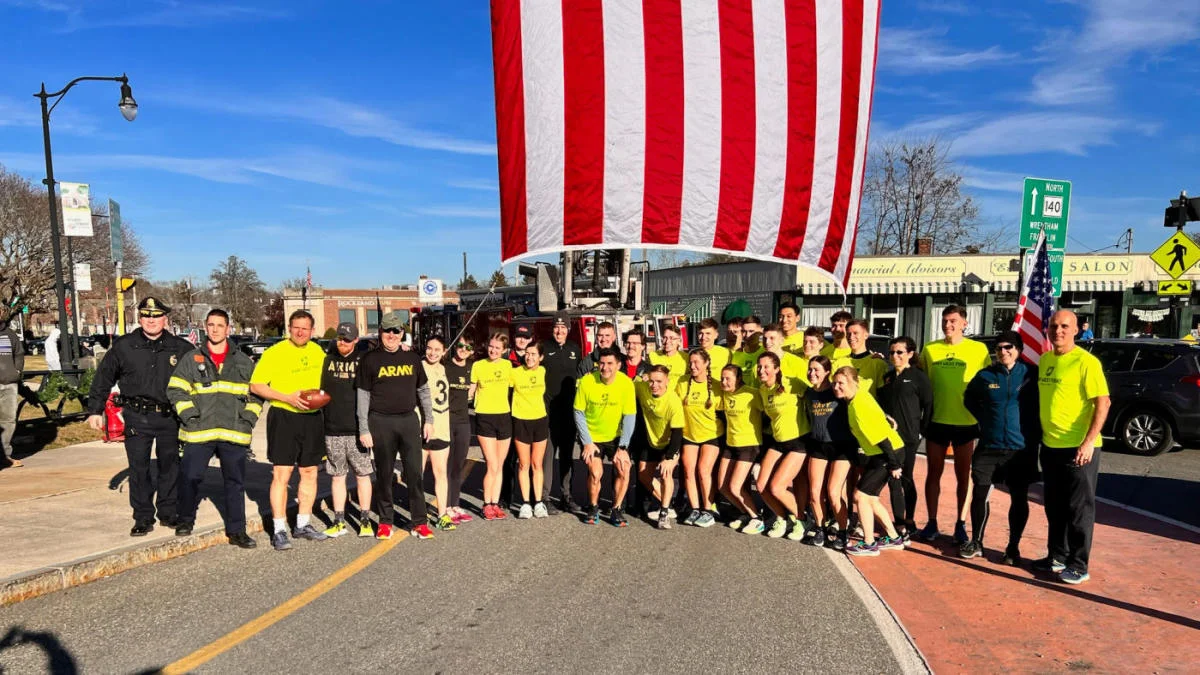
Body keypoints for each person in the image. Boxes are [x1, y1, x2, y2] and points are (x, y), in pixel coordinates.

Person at [87, 297, 193, 536]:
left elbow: (199, 379)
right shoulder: (125, 346)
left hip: (169, 418)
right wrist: (95, 410)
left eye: (156, 316)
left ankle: (168, 511)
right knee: (139, 468)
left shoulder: (181, 347)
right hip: (137, 416)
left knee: (170, 466)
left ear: (165, 318)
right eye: (146, 316)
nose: (151, 321)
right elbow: (103, 378)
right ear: (140, 318)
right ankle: (143, 517)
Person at [166, 309, 260, 548]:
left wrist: (247, 420)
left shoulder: (243, 362)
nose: (216, 329)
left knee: (235, 482)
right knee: (190, 477)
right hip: (199, 431)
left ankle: (237, 531)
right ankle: (185, 520)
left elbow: (257, 395)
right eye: (211, 325)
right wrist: (190, 416)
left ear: (229, 329)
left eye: (220, 325)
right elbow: (175, 389)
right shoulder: (191, 359)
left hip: (233, 431)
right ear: (205, 328)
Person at [1035, 310, 1110, 585]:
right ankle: (1056, 556)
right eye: (1054, 326)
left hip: (1080, 448)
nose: (1058, 331)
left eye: (1065, 326)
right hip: (1051, 446)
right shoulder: (1045, 360)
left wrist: (1088, 442)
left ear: (1076, 330)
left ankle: (1079, 564)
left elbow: (1103, 402)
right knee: (1054, 507)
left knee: (1079, 509)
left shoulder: (1086, 362)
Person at [250, 309, 330, 550]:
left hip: (312, 418)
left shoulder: (318, 351)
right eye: (296, 327)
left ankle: (303, 524)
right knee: (281, 474)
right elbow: (256, 385)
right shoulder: (275, 352)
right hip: (284, 416)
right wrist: (287, 398)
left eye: (305, 328)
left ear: (312, 331)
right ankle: (279, 529)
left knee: (309, 472)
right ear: (289, 327)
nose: (300, 332)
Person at [961, 331, 1040, 564]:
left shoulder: (1030, 374)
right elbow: (969, 399)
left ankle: (1012, 548)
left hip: (1020, 449)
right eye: (999, 348)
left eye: (1008, 347)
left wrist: (1034, 430)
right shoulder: (985, 375)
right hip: (989, 446)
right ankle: (976, 542)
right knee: (979, 494)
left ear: (1019, 349)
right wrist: (984, 420)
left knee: (1018, 498)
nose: (1003, 352)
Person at [916, 305, 992, 545]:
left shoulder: (978, 350)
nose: (948, 325)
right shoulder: (929, 349)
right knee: (933, 474)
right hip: (936, 420)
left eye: (953, 321)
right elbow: (918, 378)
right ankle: (932, 522)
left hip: (966, 423)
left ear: (964, 324)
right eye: (945, 320)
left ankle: (961, 523)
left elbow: (991, 380)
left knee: (963, 476)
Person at [358, 313, 436, 540]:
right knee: (384, 474)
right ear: (380, 332)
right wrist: (364, 428)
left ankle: (419, 522)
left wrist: (428, 419)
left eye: (396, 331)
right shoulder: (369, 359)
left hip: (408, 421)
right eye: (387, 331)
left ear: (402, 333)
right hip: (380, 422)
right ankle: (385, 521)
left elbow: (423, 391)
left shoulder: (412, 358)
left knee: (414, 473)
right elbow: (362, 396)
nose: (391, 335)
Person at [834, 367, 905, 556]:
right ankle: (894, 537)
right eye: (835, 383)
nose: (836, 387)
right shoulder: (859, 397)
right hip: (880, 453)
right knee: (871, 499)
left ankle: (869, 543)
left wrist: (894, 464)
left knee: (860, 496)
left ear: (852, 382)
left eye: (841, 383)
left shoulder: (858, 405)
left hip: (887, 452)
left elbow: (882, 438)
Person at [319, 322, 374, 538]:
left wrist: (367, 428)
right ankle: (339, 521)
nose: (343, 343)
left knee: (362, 475)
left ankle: (365, 520)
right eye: (340, 338)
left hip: (357, 429)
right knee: (337, 476)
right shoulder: (327, 360)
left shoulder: (364, 360)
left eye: (347, 339)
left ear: (356, 341)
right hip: (332, 428)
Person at [877, 337, 933, 538]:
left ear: (910, 353)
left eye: (899, 352)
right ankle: (898, 523)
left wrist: (921, 432)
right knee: (893, 480)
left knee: (906, 480)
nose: (895, 356)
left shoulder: (919, 377)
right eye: (892, 352)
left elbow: (929, 405)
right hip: (889, 439)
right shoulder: (888, 377)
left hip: (909, 439)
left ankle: (909, 520)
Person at [574, 348, 638, 526]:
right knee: (596, 473)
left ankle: (616, 509)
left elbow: (630, 417)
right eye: (602, 363)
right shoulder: (587, 381)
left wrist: (623, 447)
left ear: (618, 365)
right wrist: (587, 442)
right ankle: (593, 507)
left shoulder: (626, 384)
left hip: (616, 436)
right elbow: (578, 412)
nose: (605, 367)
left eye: (610, 363)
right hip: (592, 437)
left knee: (624, 468)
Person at [801, 355, 856, 550]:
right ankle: (820, 528)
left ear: (827, 373)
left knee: (833, 492)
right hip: (818, 446)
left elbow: (859, 398)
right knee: (814, 493)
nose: (812, 373)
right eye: (810, 369)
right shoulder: (808, 393)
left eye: (817, 370)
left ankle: (842, 530)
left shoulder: (837, 392)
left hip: (842, 446)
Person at [756, 351, 809, 540]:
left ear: (777, 369)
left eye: (766, 367)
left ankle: (803, 520)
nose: (762, 370)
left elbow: (816, 395)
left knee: (777, 487)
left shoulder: (791, 383)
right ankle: (782, 517)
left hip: (798, 442)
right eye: (759, 366)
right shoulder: (762, 389)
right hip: (778, 441)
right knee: (761, 485)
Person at [634, 365, 684, 529]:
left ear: (667, 382)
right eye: (652, 381)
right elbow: (627, 385)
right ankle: (667, 503)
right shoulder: (642, 388)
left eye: (659, 381)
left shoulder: (673, 401)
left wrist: (669, 458)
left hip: (670, 443)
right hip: (650, 441)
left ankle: (663, 513)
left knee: (666, 473)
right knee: (643, 475)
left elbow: (677, 433)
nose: (655, 385)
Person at [716, 364, 764, 533]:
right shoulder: (723, 393)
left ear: (738, 379)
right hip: (731, 444)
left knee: (735, 487)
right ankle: (744, 512)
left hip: (749, 445)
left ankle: (757, 518)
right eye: (722, 378)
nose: (724, 382)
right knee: (722, 486)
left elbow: (768, 413)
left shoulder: (752, 393)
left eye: (728, 378)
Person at [677, 347, 722, 527]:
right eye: (691, 362)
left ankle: (708, 509)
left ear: (706, 364)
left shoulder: (717, 385)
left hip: (711, 434)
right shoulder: (682, 383)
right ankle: (695, 508)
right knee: (688, 470)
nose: (693, 366)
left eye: (697, 362)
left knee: (703, 470)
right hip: (689, 434)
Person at [472, 332, 514, 520]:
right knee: (492, 463)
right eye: (491, 346)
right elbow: (471, 390)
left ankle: (495, 503)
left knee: (500, 465)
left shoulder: (508, 365)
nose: (493, 350)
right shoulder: (478, 366)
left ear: (504, 350)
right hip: (485, 417)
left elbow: (517, 384)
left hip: (504, 417)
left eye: (497, 348)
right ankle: (486, 504)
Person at [542, 314, 580, 514]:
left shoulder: (575, 349)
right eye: (557, 328)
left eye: (563, 328)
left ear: (568, 329)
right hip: (549, 414)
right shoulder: (544, 348)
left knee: (567, 457)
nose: (559, 331)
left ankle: (566, 495)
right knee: (548, 458)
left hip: (569, 413)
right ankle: (544, 497)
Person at [510, 340, 550, 519]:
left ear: (541, 357)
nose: (529, 357)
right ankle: (525, 503)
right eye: (527, 353)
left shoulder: (543, 371)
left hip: (540, 420)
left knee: (537, 464)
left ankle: (539, 502)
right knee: (524, 464)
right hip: (521, 420)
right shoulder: (515, 372)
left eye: (534, 354)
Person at [420, 336, 456, 532]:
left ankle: (442, 514)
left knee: (440, 473)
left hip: (441, 427)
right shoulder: (418, 366)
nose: (432, 353)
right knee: (416, 474)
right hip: (421, 428)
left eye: (437, 349)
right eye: (429, 348)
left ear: (444, 351)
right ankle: (417, 513)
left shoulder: (445, 369)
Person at [444, 334, 476, 524]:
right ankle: (445, 506)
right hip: (446, 420)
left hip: (464, 422)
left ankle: (455, 504)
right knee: (446, 466)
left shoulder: (472, 369)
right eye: (460, 346)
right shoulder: (445, 367)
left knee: (458, 465)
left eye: (468, 347)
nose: (463, 350)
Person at [621, 329, 651, 516]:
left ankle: (642, 504)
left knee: (642, 466)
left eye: (635, 343)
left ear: (642, 346)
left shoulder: (649, 369)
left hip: (642, 425)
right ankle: (620, 503)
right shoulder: (618, 367)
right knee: (622, 466)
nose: (631, 346)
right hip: (621, 424)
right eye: (628, 343)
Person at [834, 319, 886, 395]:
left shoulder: (878, 363)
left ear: (866, 335)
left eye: (855, 333)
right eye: (848, 334)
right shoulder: (838, 363)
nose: (851, 337)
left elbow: (883, 395)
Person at [0, 319, 24, 469]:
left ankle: (4, 455)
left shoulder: (10, 334)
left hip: (9, 383)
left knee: (8, 420)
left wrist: (17, 372)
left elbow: (19, 354)